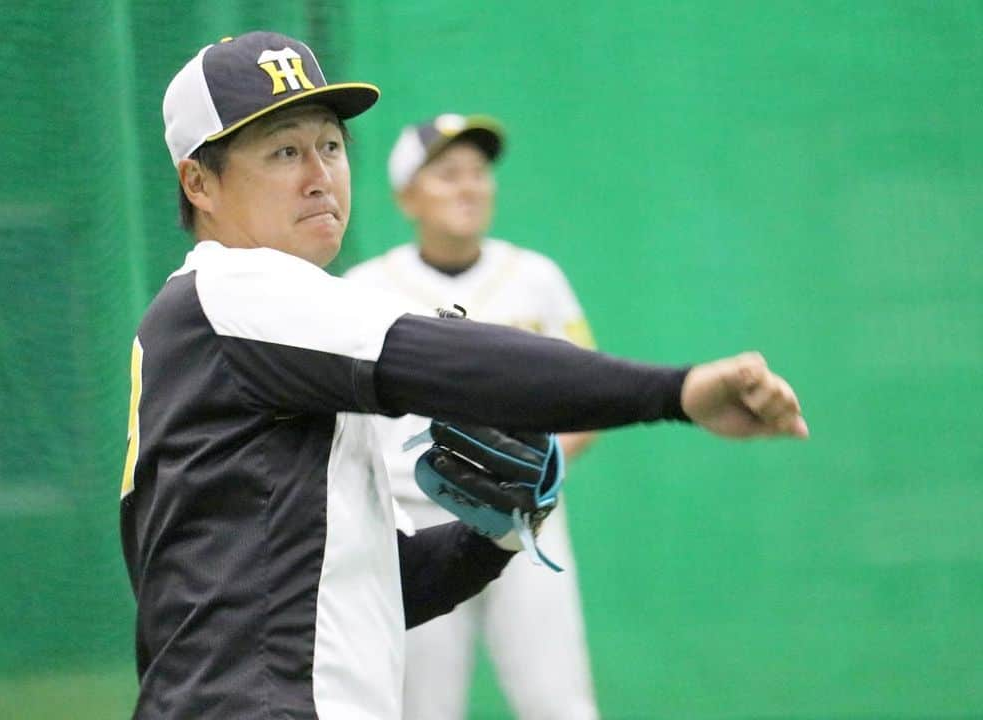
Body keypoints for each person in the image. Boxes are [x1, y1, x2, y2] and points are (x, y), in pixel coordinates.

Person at [119, 30, 809, 720]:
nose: (319, 174)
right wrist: (676, 392)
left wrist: (496, 530)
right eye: (283, 151)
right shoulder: (236, 288)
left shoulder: (250, 325)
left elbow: (385, 586)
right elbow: (447, 364)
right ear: (199, 181)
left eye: (330, 145)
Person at [345, 113, 600, 719]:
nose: (469, 186)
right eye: (447, 174)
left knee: (558, 704)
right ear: (407, 197)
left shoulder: (537, 278)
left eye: (479, 173)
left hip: (524, 519)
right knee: (422, 710)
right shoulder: (364, 289)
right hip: (415, 524)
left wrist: (533, 471)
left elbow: (591, 395)